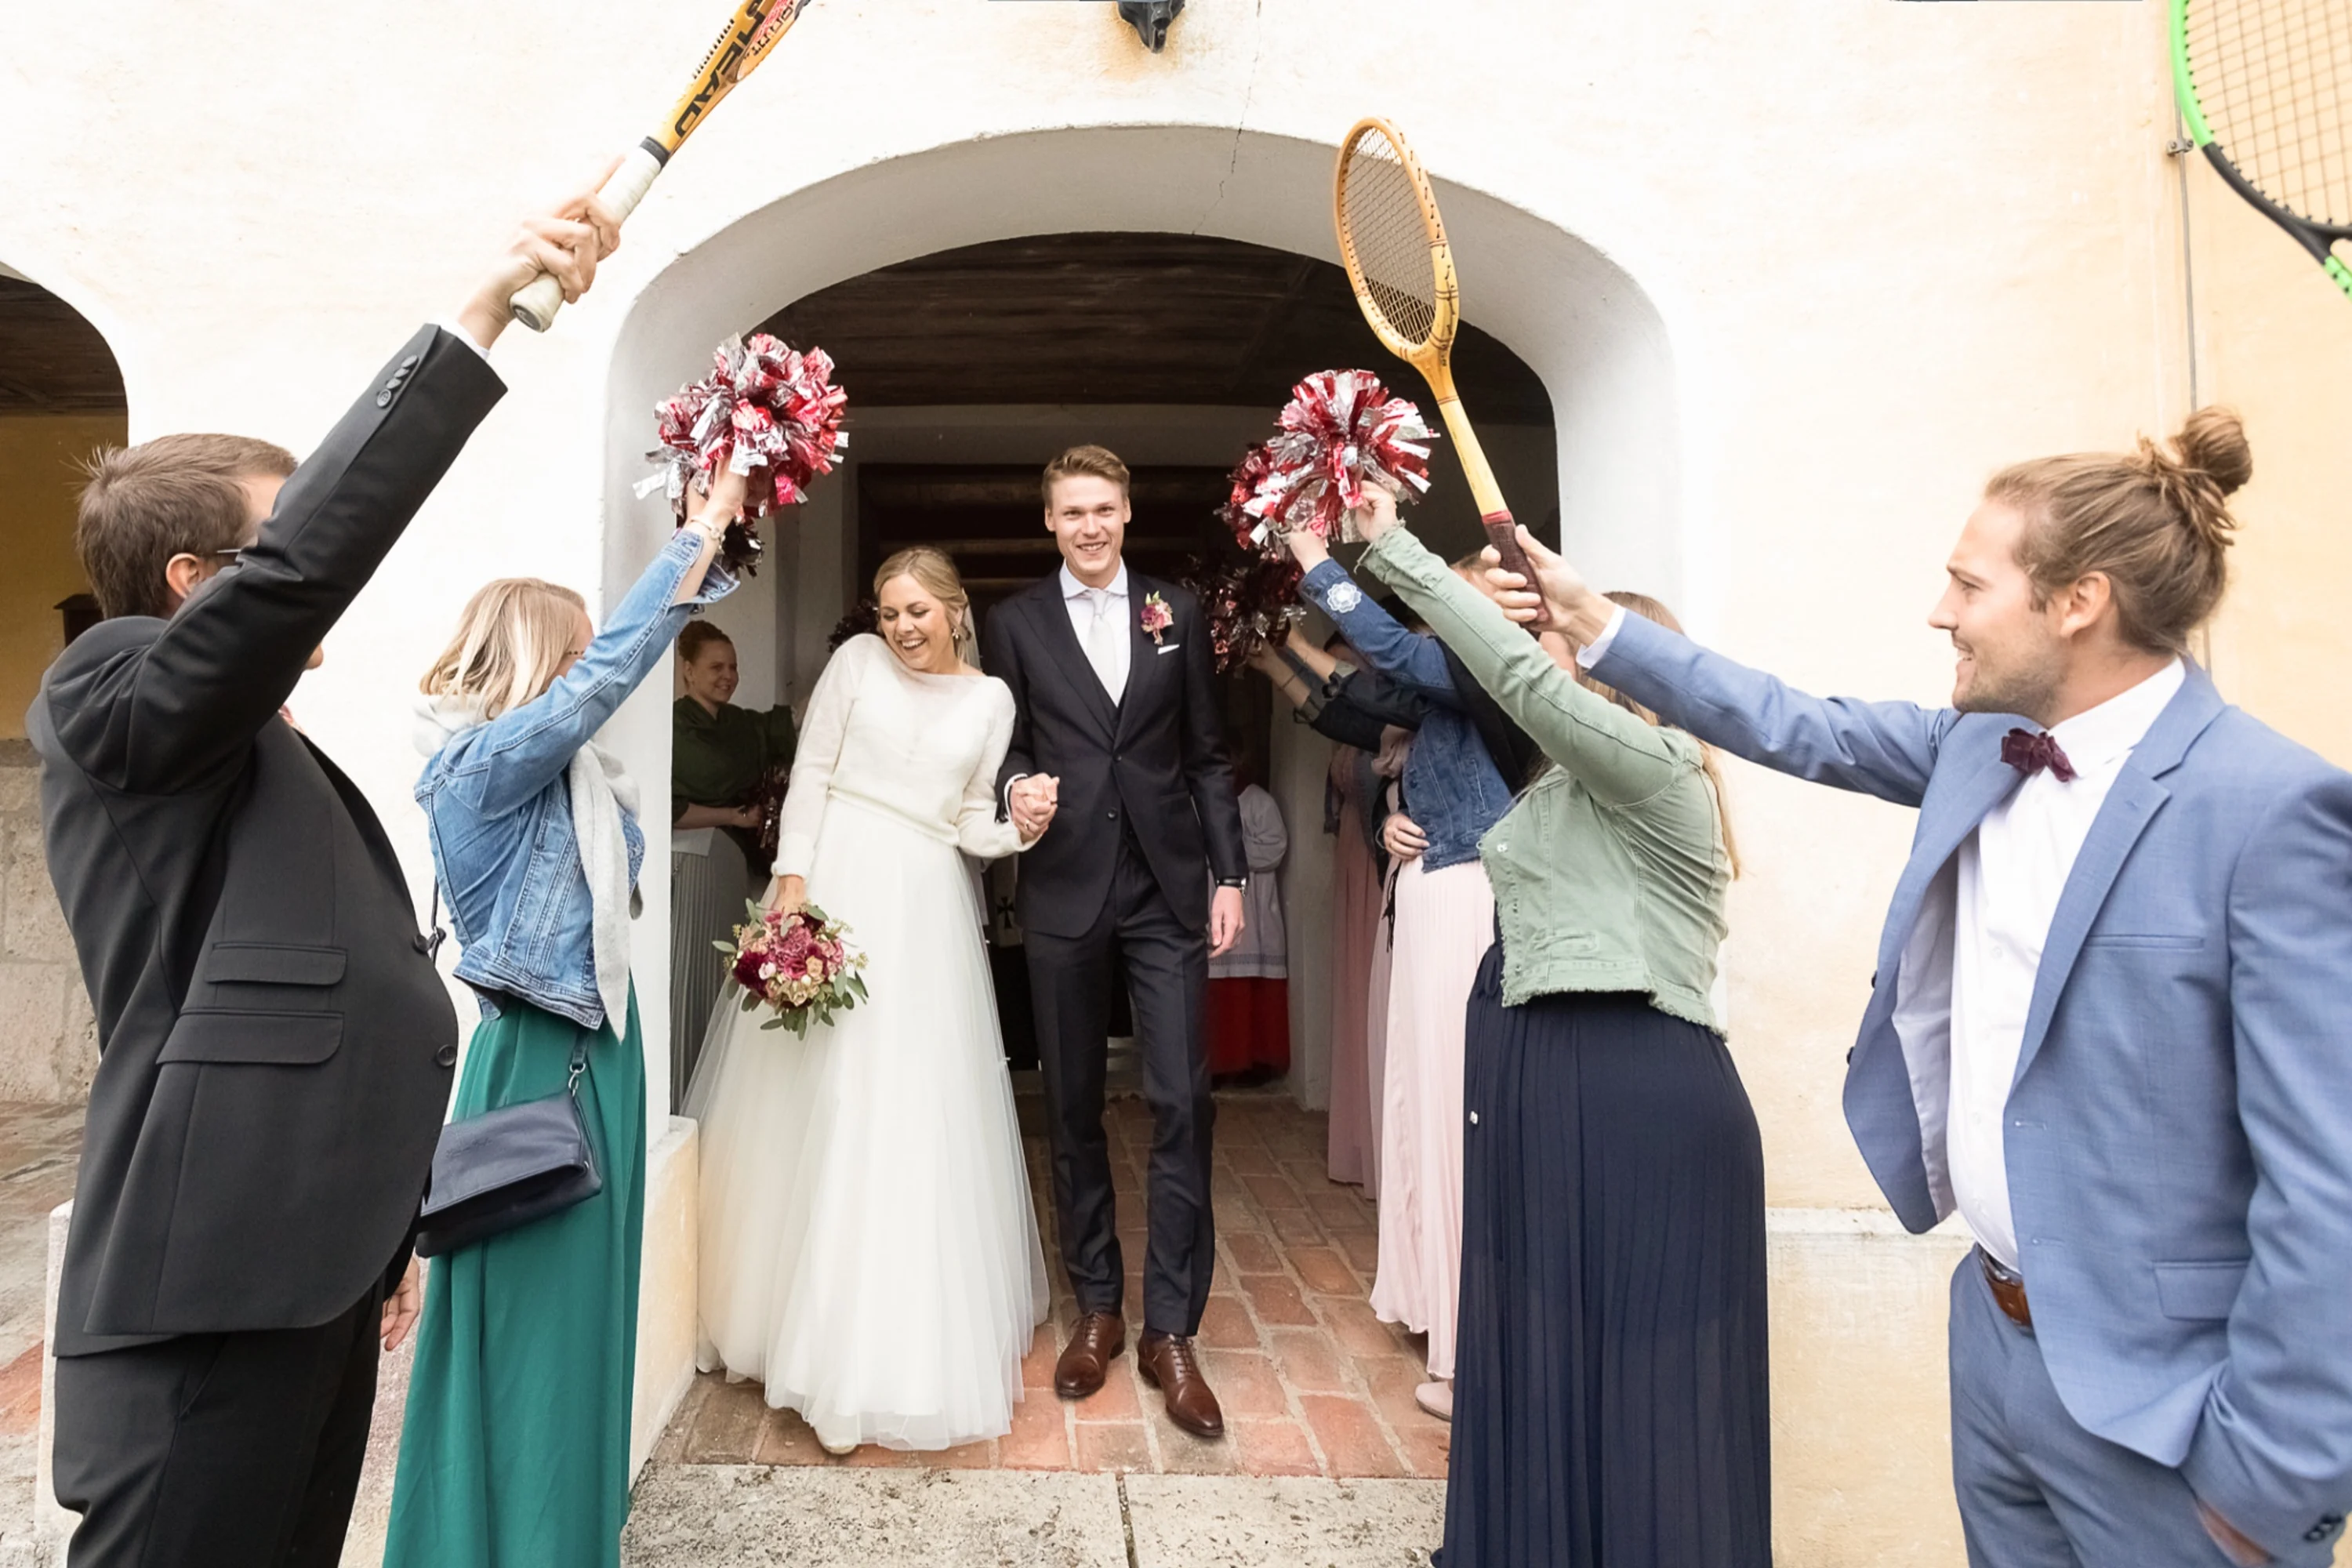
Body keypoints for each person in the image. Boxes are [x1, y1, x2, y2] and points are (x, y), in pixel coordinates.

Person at [1495, 410, 2352, 1568]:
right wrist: (1597, 628)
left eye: (1967, 584)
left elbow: (2327, 1182)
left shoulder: (2270, 809)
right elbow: (1790, 722)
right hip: (1994, 1355)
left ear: (2079, 601)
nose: (1940, 612)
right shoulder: (1976, 744)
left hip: (2168, 1423)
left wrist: (2270, 1485)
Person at [32, 184, 617, 1567]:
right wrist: (476, 325)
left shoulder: (251, 743)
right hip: (213, 1277)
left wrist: (386, 1224)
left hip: (307, 1264)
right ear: (197, 581)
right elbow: (301, 571)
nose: (318, 582)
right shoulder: (108, 681)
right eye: (277, 544)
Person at [1347, 487, 1761, 1567]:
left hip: (1631, 1095)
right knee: (1542, 1366)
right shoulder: (1559, 787)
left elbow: (1520, 680)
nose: (1551, 670)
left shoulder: (1658, 770)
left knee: (1643, 1391)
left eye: (1571, 652)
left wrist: (1393, 548)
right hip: (1542, 1091)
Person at [384, 471, 739, 1568]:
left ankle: (569, 1541)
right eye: (575, 654)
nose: (595, 676)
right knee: (530, 1333)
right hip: (544, 1064)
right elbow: (604, 676)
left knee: (584, 1333)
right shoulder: (479, 767)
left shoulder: (577, 779)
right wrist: (702, 532)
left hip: (601, 1065)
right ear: (539, 659)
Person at [686, 547, 1053, 1455]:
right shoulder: (855, 665)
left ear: (956, 610)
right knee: (826, 1092)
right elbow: (810, 771)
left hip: (927, 901)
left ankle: (888, 1340)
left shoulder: (991, 699)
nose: (903, 626)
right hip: (840, 877)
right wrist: (793, 877)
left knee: (909, 1105)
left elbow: (968, 817)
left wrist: (1018, 828)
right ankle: (796, 1326)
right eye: (890, 611)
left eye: (919, 609)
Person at [982, 445, 1248, 1439]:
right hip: (1062, 886)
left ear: (1126, 513)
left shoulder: (1177, 610)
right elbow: (1002, 739)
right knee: (1074, 1104)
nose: (1089, 526)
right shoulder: (1013, 622)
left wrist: (1229, 875)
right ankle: (1097, 1305)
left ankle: (1170, 1329)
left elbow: (1210, 757)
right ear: (1049, 521)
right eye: (1071, 512)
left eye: (1103, 509)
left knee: (1185, 1102)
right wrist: (1017, 787)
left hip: (1167, 885)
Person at [1279, 525, 1526, 1422]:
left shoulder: (1493, 670)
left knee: (1455, 1106)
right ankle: (1435, 1306)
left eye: (1452, 606)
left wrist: (1316, 558)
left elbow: (1380, 660)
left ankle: (1467, 1342)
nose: (1435, 625)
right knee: (1424, 1103)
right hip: (1430, 895)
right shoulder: (1451, 690)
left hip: (1467, 903)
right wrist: (1390, 814)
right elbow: (1359, 710)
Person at [669, 619, 797, 1102]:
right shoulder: (675, 728)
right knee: (696, 979)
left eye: (734, 666)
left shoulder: (741, 725)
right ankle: (682, 1091)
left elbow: (786, 729)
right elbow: (669, 806)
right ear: (687, 670)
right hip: (698, 863)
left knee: (734, 981)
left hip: (739, 868)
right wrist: (735, 816)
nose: (728, 675)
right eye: (715, 667)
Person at [1204, 747, 1290, 1081]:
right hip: (1211, 902)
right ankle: (1218, 1066)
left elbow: (1274, 848)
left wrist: (1226, 853)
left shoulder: (1259, 802)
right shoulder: (1204, 802)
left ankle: (1255, 1064)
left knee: (1251, 993)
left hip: (1254, 909)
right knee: (1216, 996)